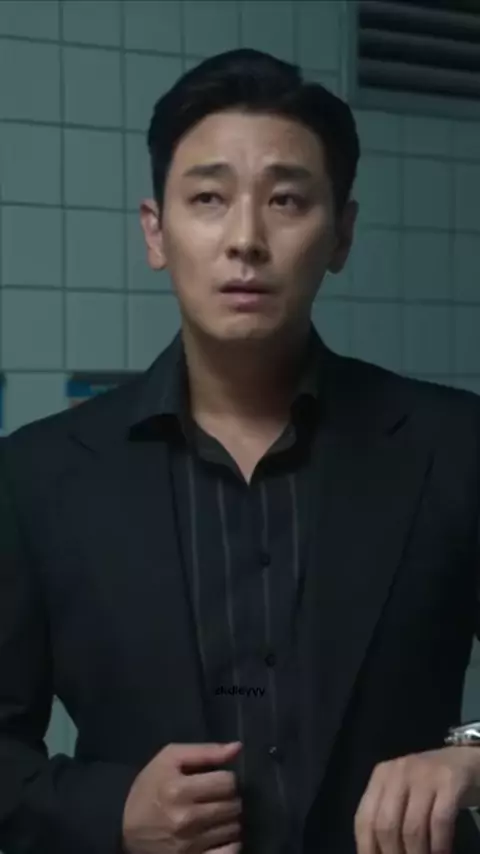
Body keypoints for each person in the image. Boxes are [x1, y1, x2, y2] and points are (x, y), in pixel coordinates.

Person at [0, 47, 479, 854]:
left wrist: (472, 758)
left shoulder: (455, 444)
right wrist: (111, 810)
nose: (247, 239)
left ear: (341, 233)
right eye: (209, 198)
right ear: (156, 231)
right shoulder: (37, 475)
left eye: (287, 200)